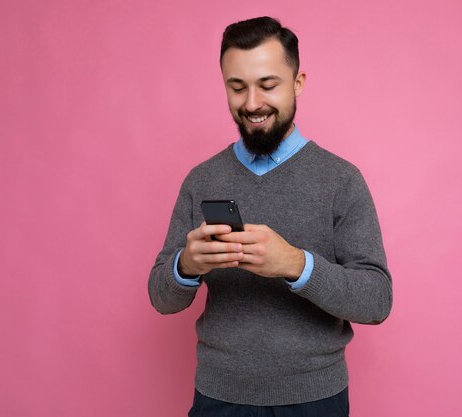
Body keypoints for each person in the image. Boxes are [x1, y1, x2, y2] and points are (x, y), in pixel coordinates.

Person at [148, 16, 392, 417]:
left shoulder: (341, 180)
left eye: (268, 85)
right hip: (219, 397)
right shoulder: (201, 179)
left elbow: (377, 300)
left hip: (316, 399)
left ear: (298, 83)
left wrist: (296, 265)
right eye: (237, 87)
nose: (252, 103)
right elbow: (161, 297)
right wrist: (185, 265)